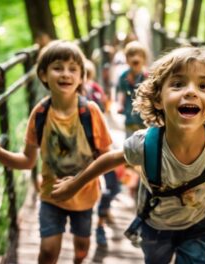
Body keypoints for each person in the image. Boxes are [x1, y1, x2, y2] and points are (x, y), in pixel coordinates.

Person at [51, 46, 205, 264]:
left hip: (199, 225)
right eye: (178, 84)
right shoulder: (144, 144)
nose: (191, 91)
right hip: (155, 225)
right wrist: (74, 184)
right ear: (158, 99)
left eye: (203, 86)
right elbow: (110, 158)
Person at [0, 40, 112, 264]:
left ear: (81, 77)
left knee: (82, 249)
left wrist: (81, 180)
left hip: (85, 196)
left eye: (73, 69)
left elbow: (107, 157)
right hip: (51, 196)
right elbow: (27, 161)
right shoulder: (39, 114)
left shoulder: (90, 112)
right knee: (48, 252)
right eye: (58, 67)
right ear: (43, 74)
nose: (65, 74)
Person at [84, 59, 122, 246]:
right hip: (88, 156)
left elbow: (105, 108)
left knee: (112, 187)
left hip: (102, 149)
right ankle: (98, 224)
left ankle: (100, 220)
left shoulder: (93, 93)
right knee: (109, 187)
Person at [116, 40, 149, 199]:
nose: (135, 58)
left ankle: (142, 178)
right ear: (126, 58)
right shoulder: (123, 77)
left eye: (138, 55)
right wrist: (120, 104)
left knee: (145, 148)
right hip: (129, 118)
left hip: (145, 119)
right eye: (131, 55)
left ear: (144, 58)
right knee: (129, 149)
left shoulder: (147, 77)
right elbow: (121, 92)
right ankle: (132, 180)